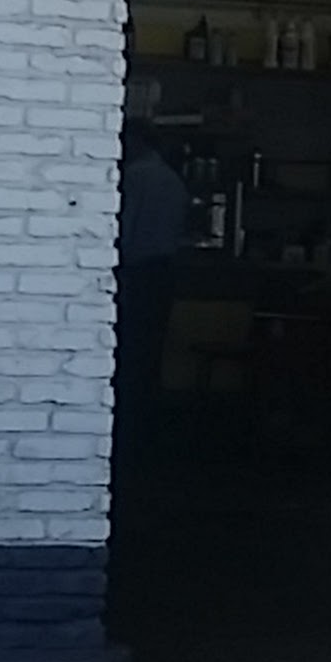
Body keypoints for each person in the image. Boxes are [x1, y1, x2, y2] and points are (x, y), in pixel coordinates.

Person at [116, 123, 190, 439]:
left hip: (136, 272)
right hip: (163, 271)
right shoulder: (173, 180)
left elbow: (124, 228)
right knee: (151, 348)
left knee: (128, 347)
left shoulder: (134, 177)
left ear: (137, 142)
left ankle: (126, 420)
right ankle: (147, 424)